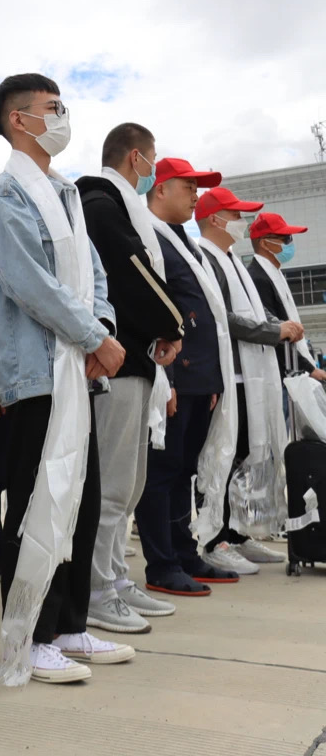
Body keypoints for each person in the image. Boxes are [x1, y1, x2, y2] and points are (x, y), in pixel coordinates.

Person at [0, 73, 134, 686]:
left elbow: (93, 272)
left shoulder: (64, 193)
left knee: (82, 502)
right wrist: (94, 338)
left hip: (76, 370)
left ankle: (68, 625)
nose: (62, 116)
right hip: (37, 372)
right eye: (51, 107)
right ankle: (30, 635)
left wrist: (102, 325)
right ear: (19, 120)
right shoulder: (4, 197)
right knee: (36, 503)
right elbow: (29, 283)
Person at [76, 124, 185, 636]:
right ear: (136, 157)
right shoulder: (101, 205)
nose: (154, 169)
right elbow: (134, 273)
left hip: (135, 361)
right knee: (112, 487)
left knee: (130, 484)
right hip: (114, 362)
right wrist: (173, 325)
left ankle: (115, 577)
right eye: (153, 159)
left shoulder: (117, 206)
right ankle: (97, 589)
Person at [136, 158, 241, 597]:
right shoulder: (148, 236)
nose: (196, 196)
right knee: (162, 473)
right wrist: (169, 381)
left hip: (201, 379)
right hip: (174, 376)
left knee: (184, 472)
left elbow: (205, 314)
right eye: (188, 187)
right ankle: (161, 564)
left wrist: (212, 380)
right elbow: (157, 312)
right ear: (160, 189)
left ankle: (183, 553)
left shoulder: (184, 242)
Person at [194, 187, 291, 574]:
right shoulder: (207, 257)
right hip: (227, 374)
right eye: (236, 215)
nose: (242, 222)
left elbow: (254, 312)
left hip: (248, 377)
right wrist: (273, 331)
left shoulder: (233, 261)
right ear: (215, 219)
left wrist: (275, 326)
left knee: (244, 456)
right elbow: (224, 317)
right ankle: (213, 538)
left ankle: (236, 533)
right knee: (221, 456)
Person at [249, 212, 325, 388]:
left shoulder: (275, 273)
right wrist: (309, 369)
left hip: (291, 371)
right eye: (285, 238)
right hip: (281, 376)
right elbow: (274, 331)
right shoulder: (257, 278)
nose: (290, 243)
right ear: (264, 243)